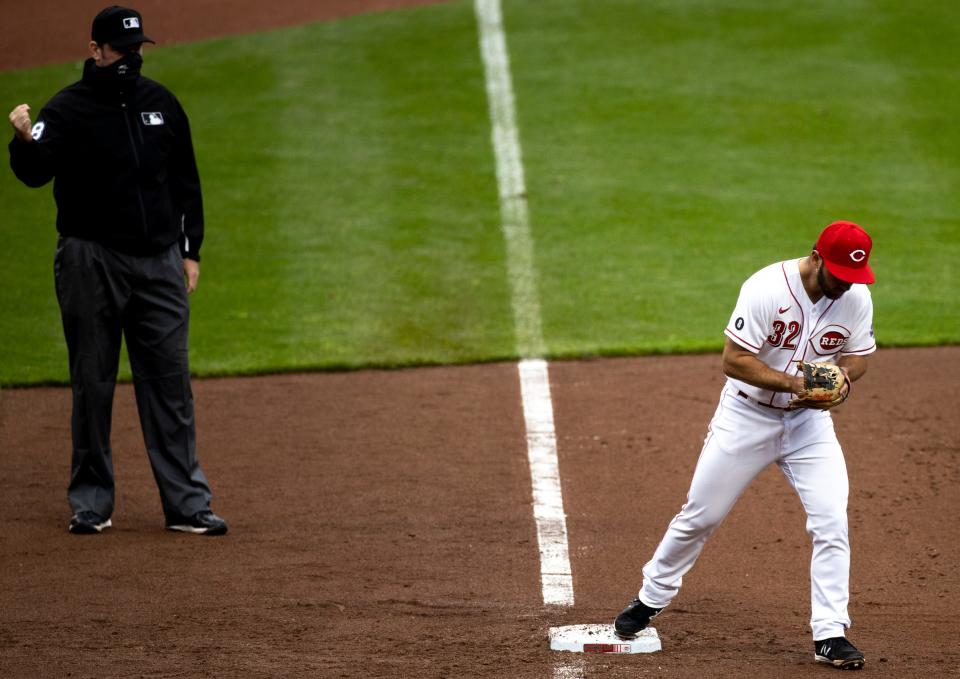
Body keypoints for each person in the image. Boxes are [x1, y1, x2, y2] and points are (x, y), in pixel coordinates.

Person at [613, 221, 876, 670]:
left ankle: (830, 633)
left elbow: (859, 355)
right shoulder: (766, 288)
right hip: (746, 416)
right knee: (701, 514)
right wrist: (798, 381)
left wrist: (843, 378)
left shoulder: (855, 296)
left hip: (810, 426)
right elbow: (733, 360)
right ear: (816, 257)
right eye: (838, 275)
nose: (845, 285)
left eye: (854, 277)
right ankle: (649, 598)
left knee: (831, 523)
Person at [8, 6, 227, 536]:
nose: (131, 58)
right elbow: (34, 174)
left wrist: (189, 251)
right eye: (122, 50)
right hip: (91, 260)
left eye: (137, 50)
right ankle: (91, 502)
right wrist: (22, 139)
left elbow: (186, 182)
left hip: (158, 262)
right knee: (93, 381)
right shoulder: (67, 109)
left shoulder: (162, 105)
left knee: (170, 385)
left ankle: (187, 504)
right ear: (96, 51)